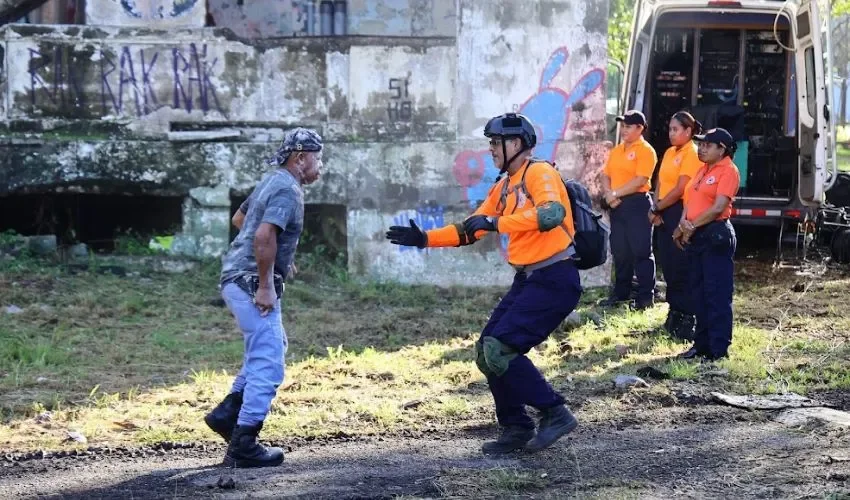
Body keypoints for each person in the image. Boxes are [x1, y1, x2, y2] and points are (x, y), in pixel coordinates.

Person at [386, 113, 582, 454]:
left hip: (555, 277)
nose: (490, 148)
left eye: (495, 142)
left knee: (500, 348)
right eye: (490, 142)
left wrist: (496, 222)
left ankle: (555, 412)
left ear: (516, 144)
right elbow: (470, 228)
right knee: (486, 352)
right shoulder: (505, 186)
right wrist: (424, 239)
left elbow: (551, 215)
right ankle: (516, 427)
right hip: (529, 278)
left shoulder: (539, 173)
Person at [204, 127, 324, 468]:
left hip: (235, 277)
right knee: (269, 361)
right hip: (249, 283)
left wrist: (280, 255)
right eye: (318, 157)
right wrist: (265, 282)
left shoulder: (273, 180)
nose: (320, 165)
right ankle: (244, 442)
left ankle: (228, 414)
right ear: (300, 158)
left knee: (271, 346)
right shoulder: (289, 189)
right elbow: (262, 233)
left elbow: (241, 217)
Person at [674, 128, 740, 361]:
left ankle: (718, 349)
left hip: (715, 235)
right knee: (698, 292)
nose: (701, 148)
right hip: (697, 234)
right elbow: (690, 200)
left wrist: (690, 226)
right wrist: (683, 224)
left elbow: (718, 207)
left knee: (716, 293)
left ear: (721, 149)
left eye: (707, 145)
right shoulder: (703, 169)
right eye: (700, 144)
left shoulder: (728, 170)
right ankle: (700, 345)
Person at [650, 111, 703, 339]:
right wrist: (655, 207)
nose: (671, 134)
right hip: (663, 209)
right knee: (669, 264)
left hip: (680, 210)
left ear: (688, 131)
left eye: (676, 129)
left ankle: (687, 317)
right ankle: (674, 313)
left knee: (682, 265)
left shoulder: (692, 152)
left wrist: (659, 207)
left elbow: (681, 188)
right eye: (670, 129)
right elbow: (660, 181)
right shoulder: (670, 152)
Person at [600, 110, 658, 309]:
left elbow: (640, 180)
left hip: (637, 204)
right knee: (620, 251)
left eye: (628, 126)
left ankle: (645, 297)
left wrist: (614, 194)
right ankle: (621, 293)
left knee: (641, 251)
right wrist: (609, 194)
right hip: (618, 206)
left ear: (639, 128)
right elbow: (605, 175)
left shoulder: (646, 150)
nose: (623, 130)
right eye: (622, 126)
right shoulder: (617, 150)